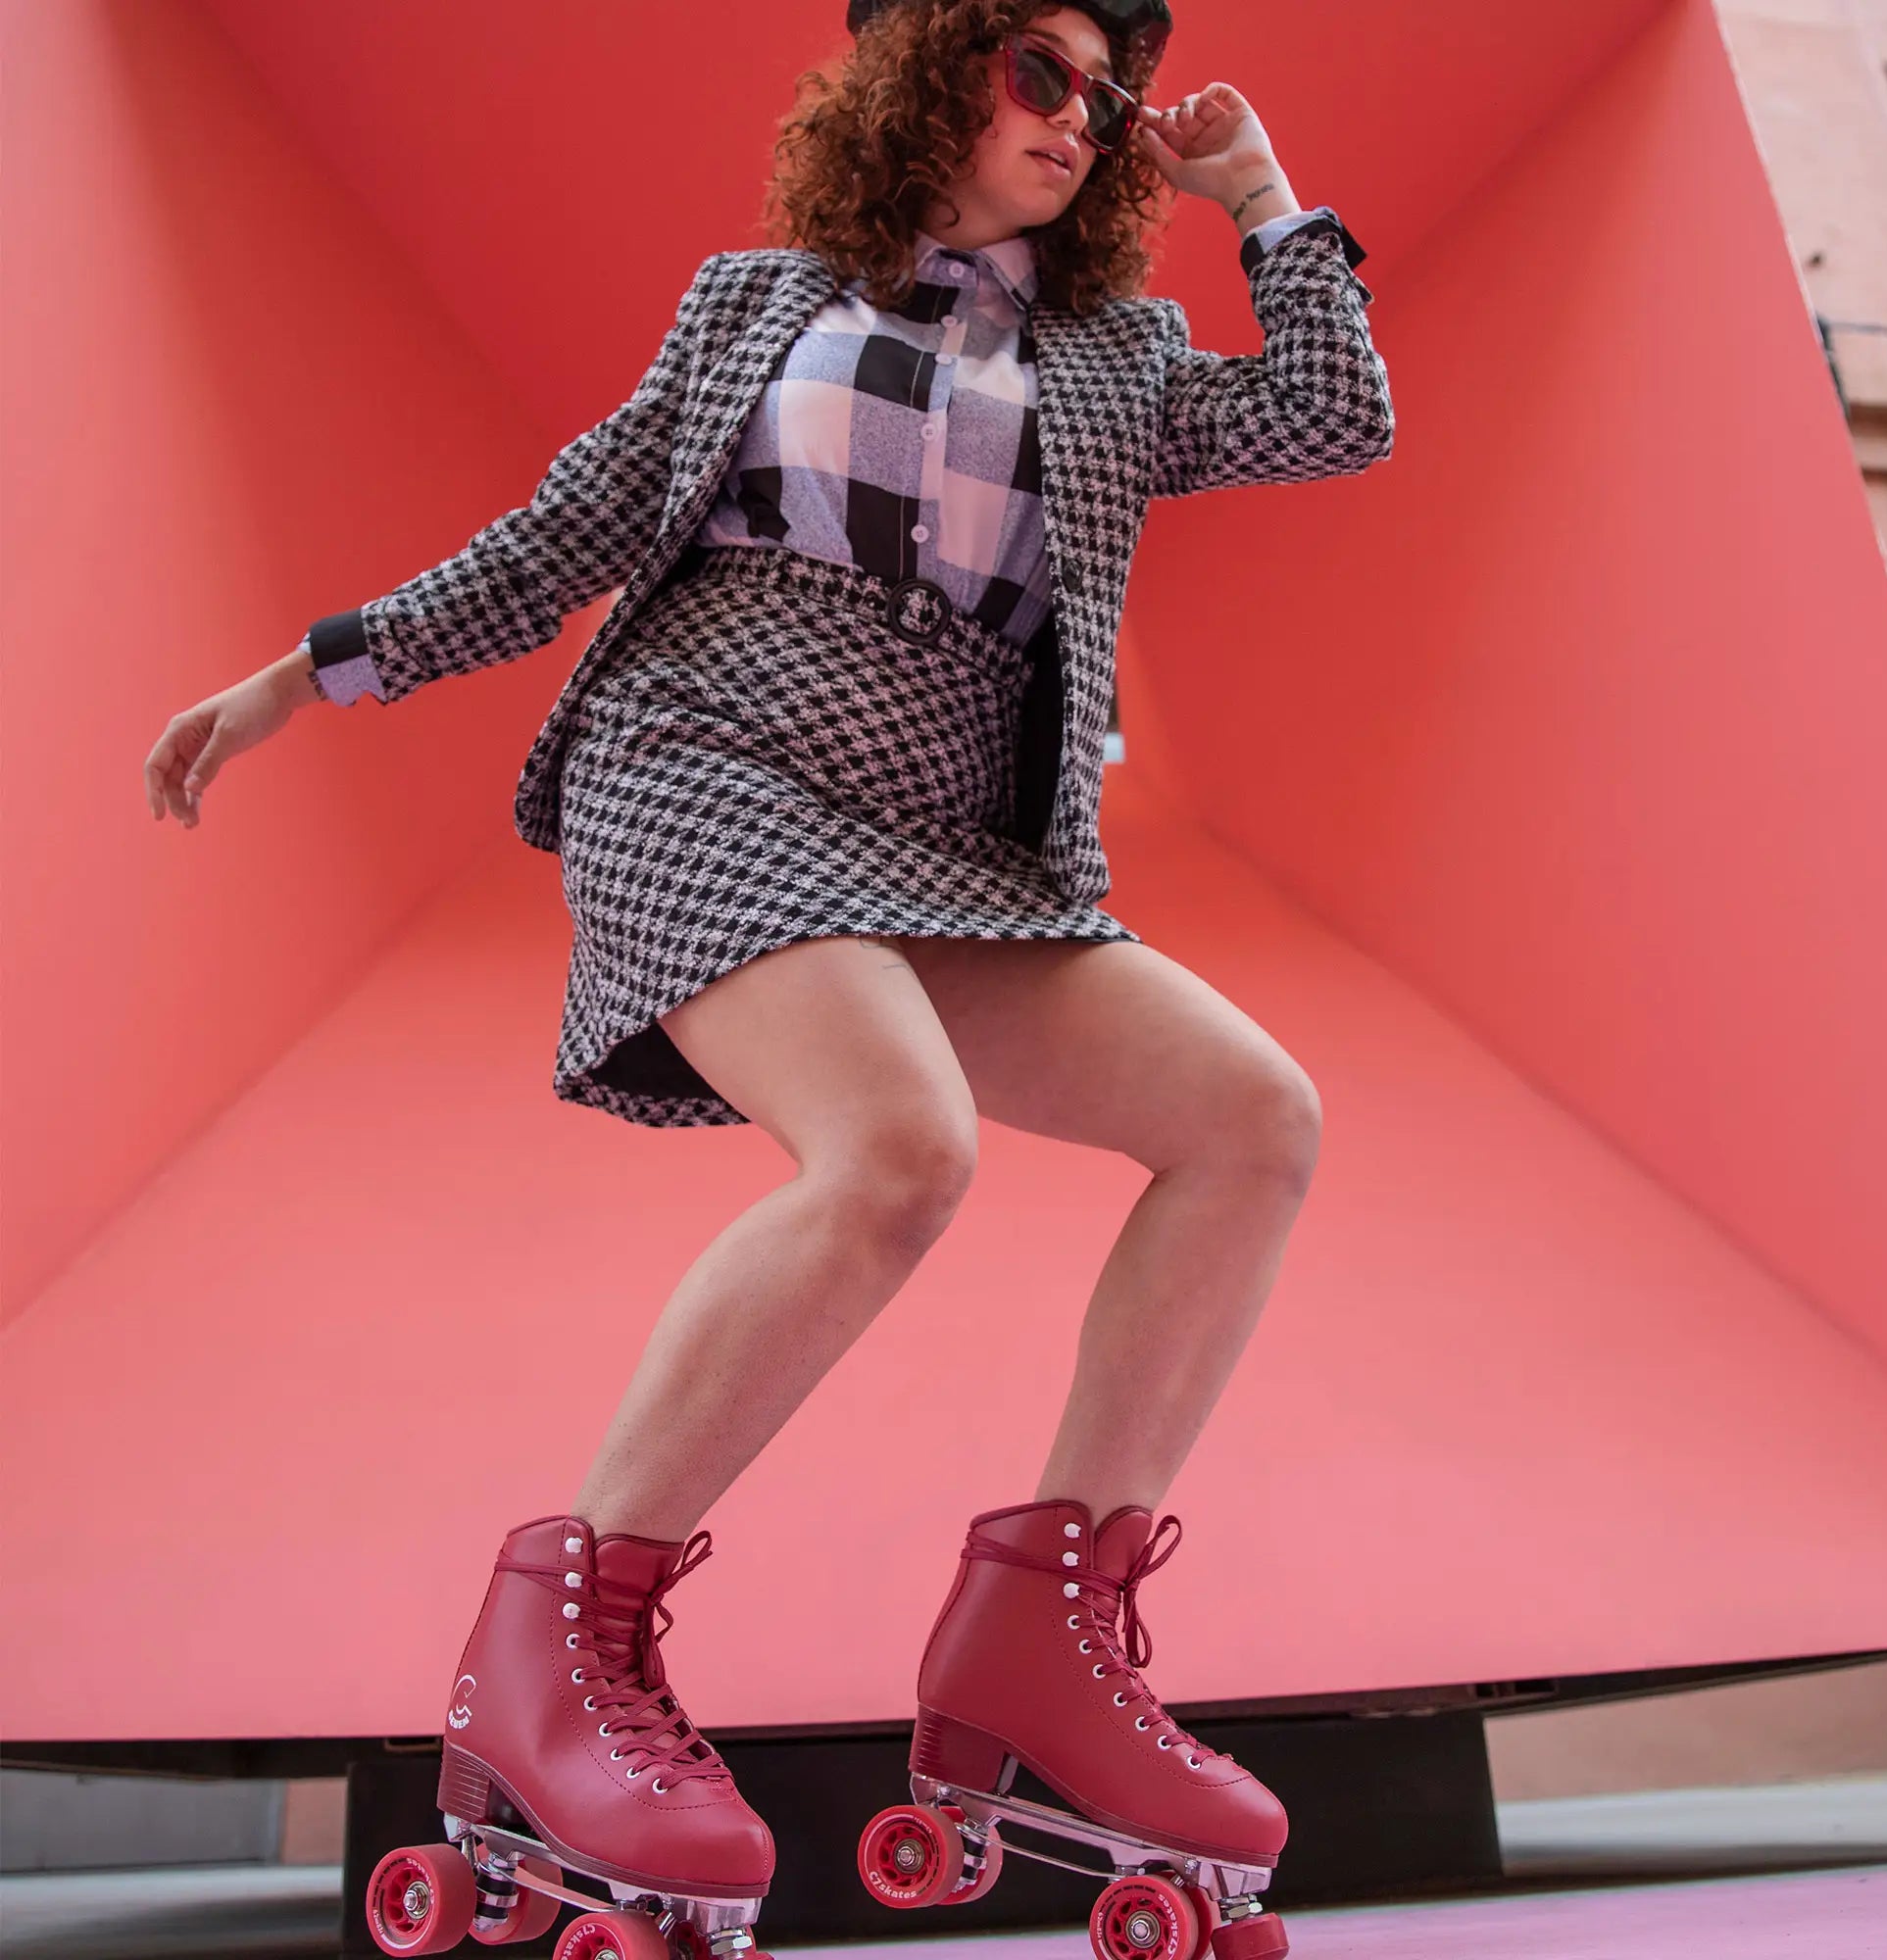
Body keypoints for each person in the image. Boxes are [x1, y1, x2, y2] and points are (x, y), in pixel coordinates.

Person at [142, 5, 1393, 1955]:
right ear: (930, 71)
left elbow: (1337, 415)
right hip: (701, 769)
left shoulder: (1115, 355)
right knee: (898, 1153)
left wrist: (1263, 202)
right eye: (1039, 70)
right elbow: (559, 534)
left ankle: (1040, 1643)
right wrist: (308, 675)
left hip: (951, 861)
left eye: (1108, 92)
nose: (1083, 118)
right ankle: (567, 1647)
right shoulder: (756, 303)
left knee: (1252, 1119)